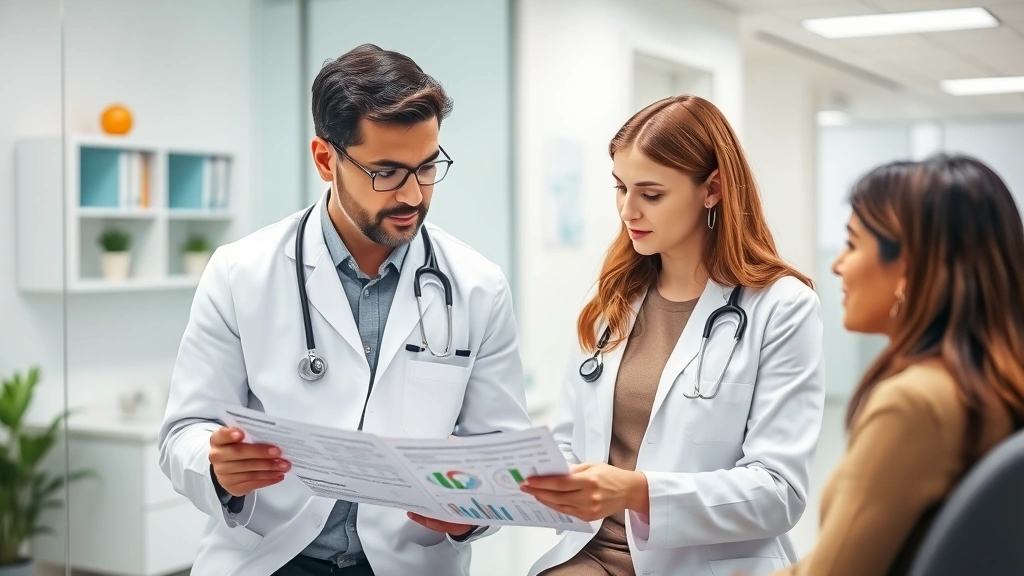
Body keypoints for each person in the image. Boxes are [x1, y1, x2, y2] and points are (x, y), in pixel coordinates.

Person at [158, 43, 531, 576]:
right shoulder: (241, 272)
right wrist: (216, 466)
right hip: (271, 556)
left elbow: (502, 451)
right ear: (325, 158)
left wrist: (468, 511)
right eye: (386, 172)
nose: (413, 195)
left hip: (408, 561)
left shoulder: (478, 286)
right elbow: (183, 433)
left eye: (427, 168)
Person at [522, 95, 827, 576]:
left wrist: (637, 490)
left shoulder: (781, 307)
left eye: (651, 193)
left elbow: (778, 493)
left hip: (704, 564)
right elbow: (569, 447)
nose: (627, 211)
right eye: (620, 188)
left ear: (712, 189)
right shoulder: (611, 303)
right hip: (593, 555)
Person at [768, 154, 1024, 576]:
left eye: (851, 244)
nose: (837, 264)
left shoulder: (913, 405)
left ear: (907, 266)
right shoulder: (994, 385)